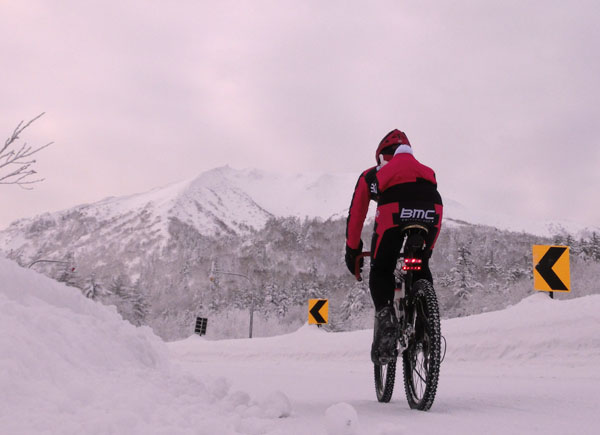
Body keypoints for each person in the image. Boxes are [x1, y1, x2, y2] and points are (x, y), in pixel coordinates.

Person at [344, 129, 443, 364]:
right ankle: (427, 328)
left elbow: (357, 214)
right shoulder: (422, 169)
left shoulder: (372, 175)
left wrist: (353, 250)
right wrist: (426, 252)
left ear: (380, 156)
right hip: (432, 207)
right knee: (420, 264)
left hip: (394, 210)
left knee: (382, 268)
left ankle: (387, 318)